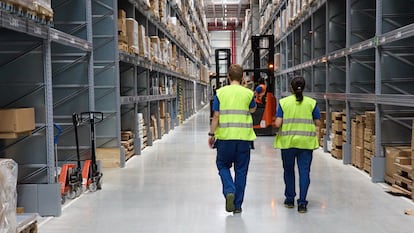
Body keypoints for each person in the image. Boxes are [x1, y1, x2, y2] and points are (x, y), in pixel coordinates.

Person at [208, 64, 257, 214]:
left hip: (225, 139)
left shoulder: (220, 93)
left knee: (222, 165)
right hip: (244, 139)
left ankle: (229, 190)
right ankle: (237, 205)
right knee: (241, 171)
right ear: (242, 78)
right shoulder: (248, 93)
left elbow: (216, 116)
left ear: (228, 77)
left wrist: (211, 134)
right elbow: (253, 109)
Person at [273, 76, 321, 213]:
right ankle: (302, 203)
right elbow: (318, 123)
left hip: (288, 143)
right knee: (304, 172)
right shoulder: (311, 103)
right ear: (304, 87)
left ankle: (289, 199)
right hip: (306, 143)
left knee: (288, 171)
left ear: (291, 88)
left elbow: (278, 124)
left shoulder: (283, 103)